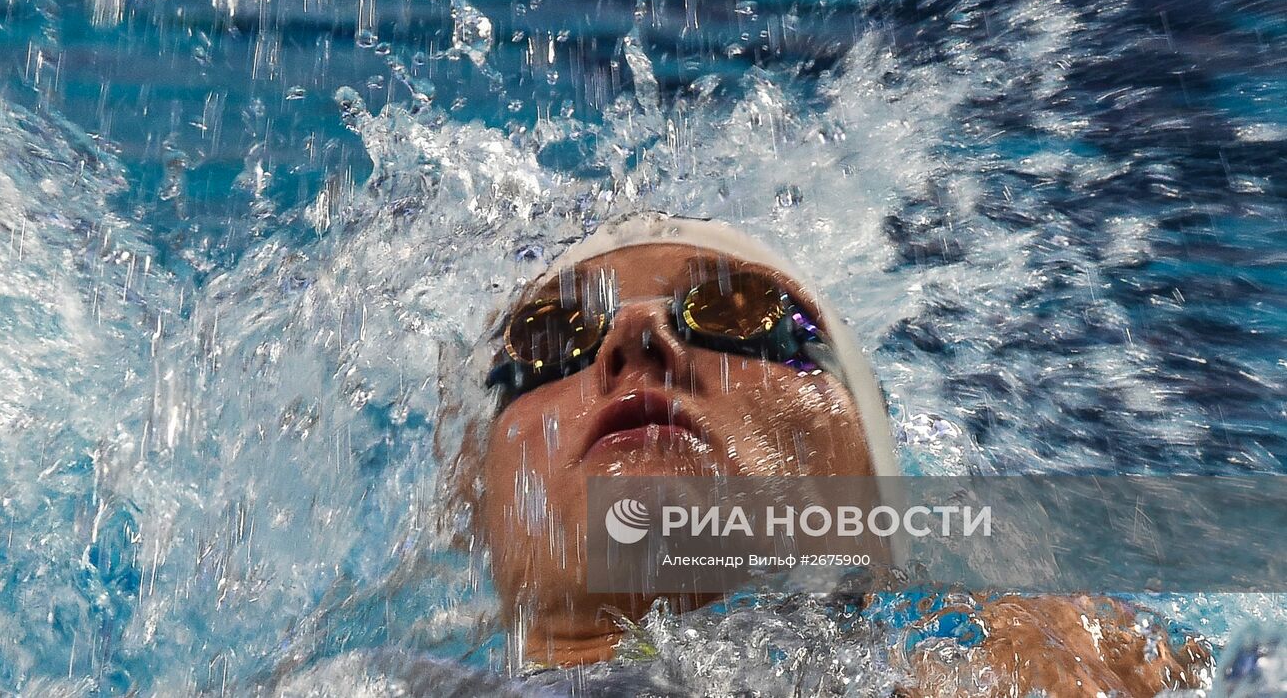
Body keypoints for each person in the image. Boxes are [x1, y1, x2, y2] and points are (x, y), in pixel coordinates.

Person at [451, 213, 1207, 696]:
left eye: (736, 312)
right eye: (550, 339)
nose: (638, 338)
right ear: (471, 502)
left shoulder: (1056, 667)